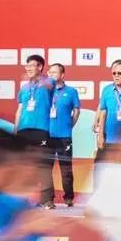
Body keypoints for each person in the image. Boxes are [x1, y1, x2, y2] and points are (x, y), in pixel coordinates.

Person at [15, 54, 55, 207]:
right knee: (24, 165)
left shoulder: (48, 81)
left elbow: (49, 85)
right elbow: (20, 109)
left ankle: (47, 200)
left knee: (43, 165)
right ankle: (24, 199)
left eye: (32, 66)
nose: (29, 69)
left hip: (41, 129)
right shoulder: (24, 88)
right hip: (24, 129)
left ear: (40, 67)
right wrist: (16, 129)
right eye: (27, 66)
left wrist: (37, 78)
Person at [43, 63, 81, 208]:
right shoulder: (43, 91)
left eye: (54, 72)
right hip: (47, 135)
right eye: (49, 72)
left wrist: (70, 125)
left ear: (62, 75)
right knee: (46, 169)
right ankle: (48, 199)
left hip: (64, 136)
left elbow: (76, 111)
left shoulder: (71, 91)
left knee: (66, 169)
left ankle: (68, 197)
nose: (50, 75)